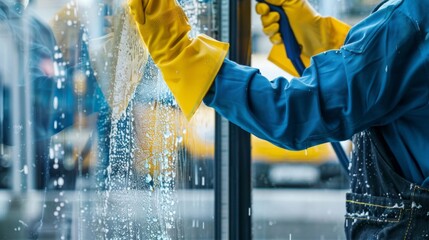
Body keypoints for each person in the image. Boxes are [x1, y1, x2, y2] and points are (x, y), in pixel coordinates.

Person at [128, 0, 429, 238]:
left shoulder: (414, 17)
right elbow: (399, 80)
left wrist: (183, 56)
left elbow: (297, 113)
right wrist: (326, 40)